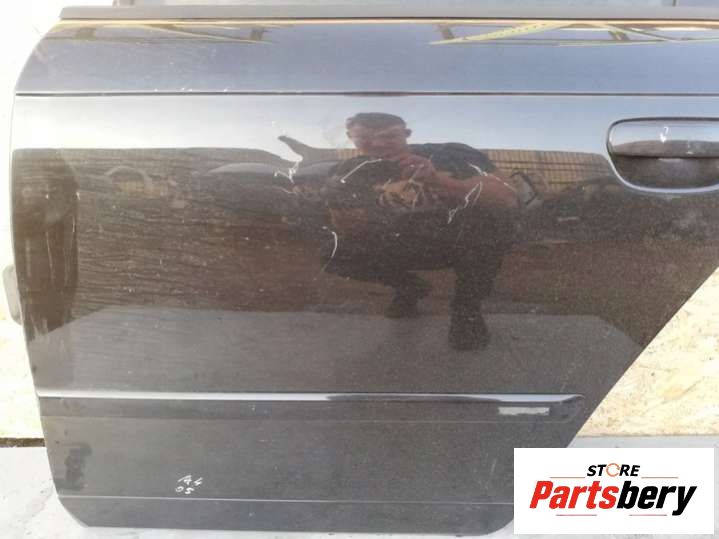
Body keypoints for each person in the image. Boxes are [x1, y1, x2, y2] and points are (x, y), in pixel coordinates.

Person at [321, 112, 518, 350]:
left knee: (490, 226)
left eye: (389, 136)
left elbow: (506, 197)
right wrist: (339, 202)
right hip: (395, 241)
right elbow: (350, 231)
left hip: (456, 240)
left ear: (406, 134)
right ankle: (411, 287)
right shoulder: (346, 171)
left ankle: (467, 310)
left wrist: (437, 180)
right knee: (333, 253)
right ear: (350, 137)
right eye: (365, 137)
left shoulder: (450, 154)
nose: (378, 144)